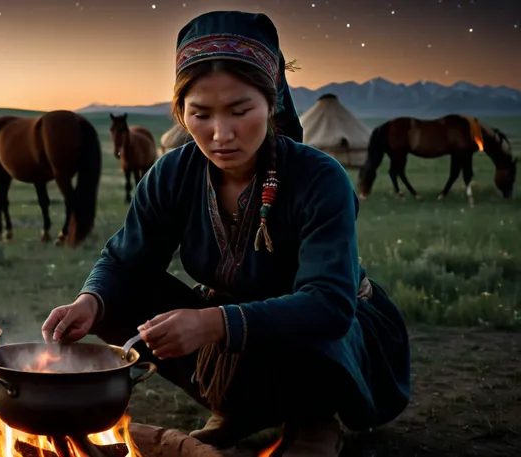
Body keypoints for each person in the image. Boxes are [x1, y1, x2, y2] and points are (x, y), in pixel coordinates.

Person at [41, 10, 410, 457]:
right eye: (200, 114)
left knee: (316, 313)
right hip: (237, 330)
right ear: (181, 113)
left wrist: (210, 322)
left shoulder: (319, 178)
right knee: (120, 294)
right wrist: (91, 301)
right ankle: (238, 407)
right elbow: (124, 261)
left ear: (271, 103)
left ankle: (313, 417)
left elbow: (330, 305)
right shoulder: (172, 174)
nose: (221, 135)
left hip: (329, 338)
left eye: (240, 111)